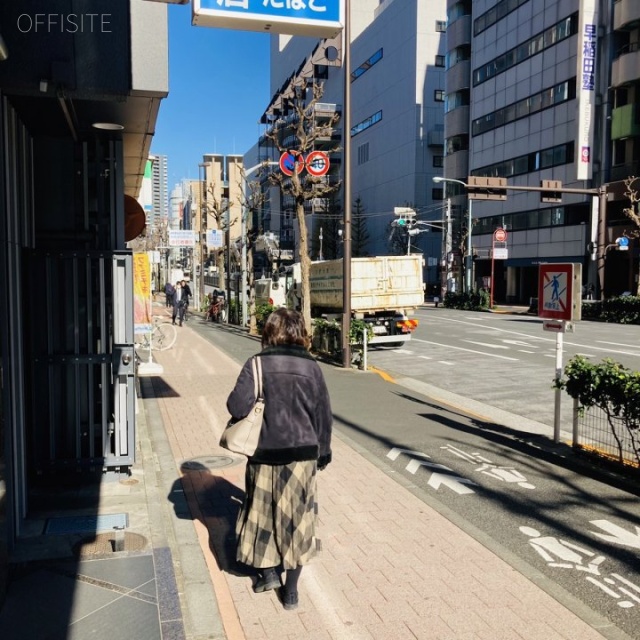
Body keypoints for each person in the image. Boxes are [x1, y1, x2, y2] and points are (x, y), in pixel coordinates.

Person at [226, 308, 332, 611]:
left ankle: (269, 573)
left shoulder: (256, 364)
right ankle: (292, 592)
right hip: (301, 456)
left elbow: (236, 407)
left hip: (264, 455)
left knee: (261, 515)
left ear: (270, 331)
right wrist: (322, 453)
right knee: (297, 520)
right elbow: (323, 416)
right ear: (300, 331)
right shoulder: (312, 368)